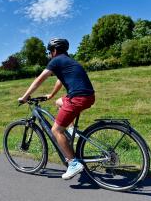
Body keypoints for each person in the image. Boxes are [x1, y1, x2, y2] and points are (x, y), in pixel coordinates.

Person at [18, 38, 95, 180]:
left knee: (56, 130)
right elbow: (60, 79)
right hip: (88, 96)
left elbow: (40, 79)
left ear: (54, 51)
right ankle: (72, 131)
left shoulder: (55, 60)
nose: (49, 54)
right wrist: (52, 95)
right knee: (60, 102)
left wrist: (25, 97)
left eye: (49, 52)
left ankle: (73, 163)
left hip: (77, 98)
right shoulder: (68, 60)